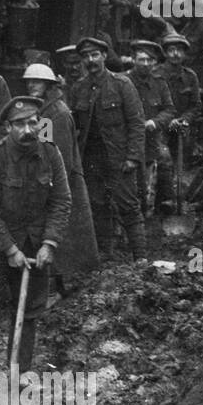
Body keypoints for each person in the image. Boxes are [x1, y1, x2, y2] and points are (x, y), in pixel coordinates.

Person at [0, 96, 71, 405]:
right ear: (7, 127)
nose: (28, 130)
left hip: (36, 246)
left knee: (29, 312)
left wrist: (49, 243)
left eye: (32, 122)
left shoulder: (50, 154)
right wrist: (10, 249)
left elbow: (61, 201)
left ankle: (20, 372)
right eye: (20, 124)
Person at [68, 37, 147, 261]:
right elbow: (74, 125)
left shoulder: (122, 84)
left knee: (129, 206)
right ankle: (106, 253)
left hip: (119, 157)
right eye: (85, 56)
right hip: (91, 159)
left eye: (94, 55)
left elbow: (136, 122)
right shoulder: (78, 88)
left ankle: (140, 258)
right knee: (98, 204)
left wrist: (132, 156)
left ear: (104, 56)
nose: (90, 60)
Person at [23, 63, 98, 276]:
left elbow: (60, 155)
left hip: (63, 180)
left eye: (36, 81)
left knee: (68, 233)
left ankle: (68, 281)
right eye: (28, 81)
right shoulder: (41, 109)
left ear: (48, 84)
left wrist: (50, 182)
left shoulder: (57, 112)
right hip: (46, 178)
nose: (31, 85)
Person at [126, 40, 175, 217]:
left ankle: (146, 216)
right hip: (126, 141)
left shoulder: (160, 84)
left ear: (154, 62)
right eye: (141, 59)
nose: (146, 64)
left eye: (150, 60)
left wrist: (155, 122)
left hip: (150, 141)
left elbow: (169, 110)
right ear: (133, 59)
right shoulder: (123, 81)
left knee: (148, 183)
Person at [158, 33, 202, 205]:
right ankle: (165, 199)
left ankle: (177, 197)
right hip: (161, 125)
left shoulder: (190, 77)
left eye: (179, 51)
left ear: (184, 54)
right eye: (171, 50)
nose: (175, 54)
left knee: (181, 162)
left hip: (180, 125)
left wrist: (184, 119)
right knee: (163, 159)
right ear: (166, 53)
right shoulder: (156, 75)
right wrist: (166, 120)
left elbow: (196, 105)